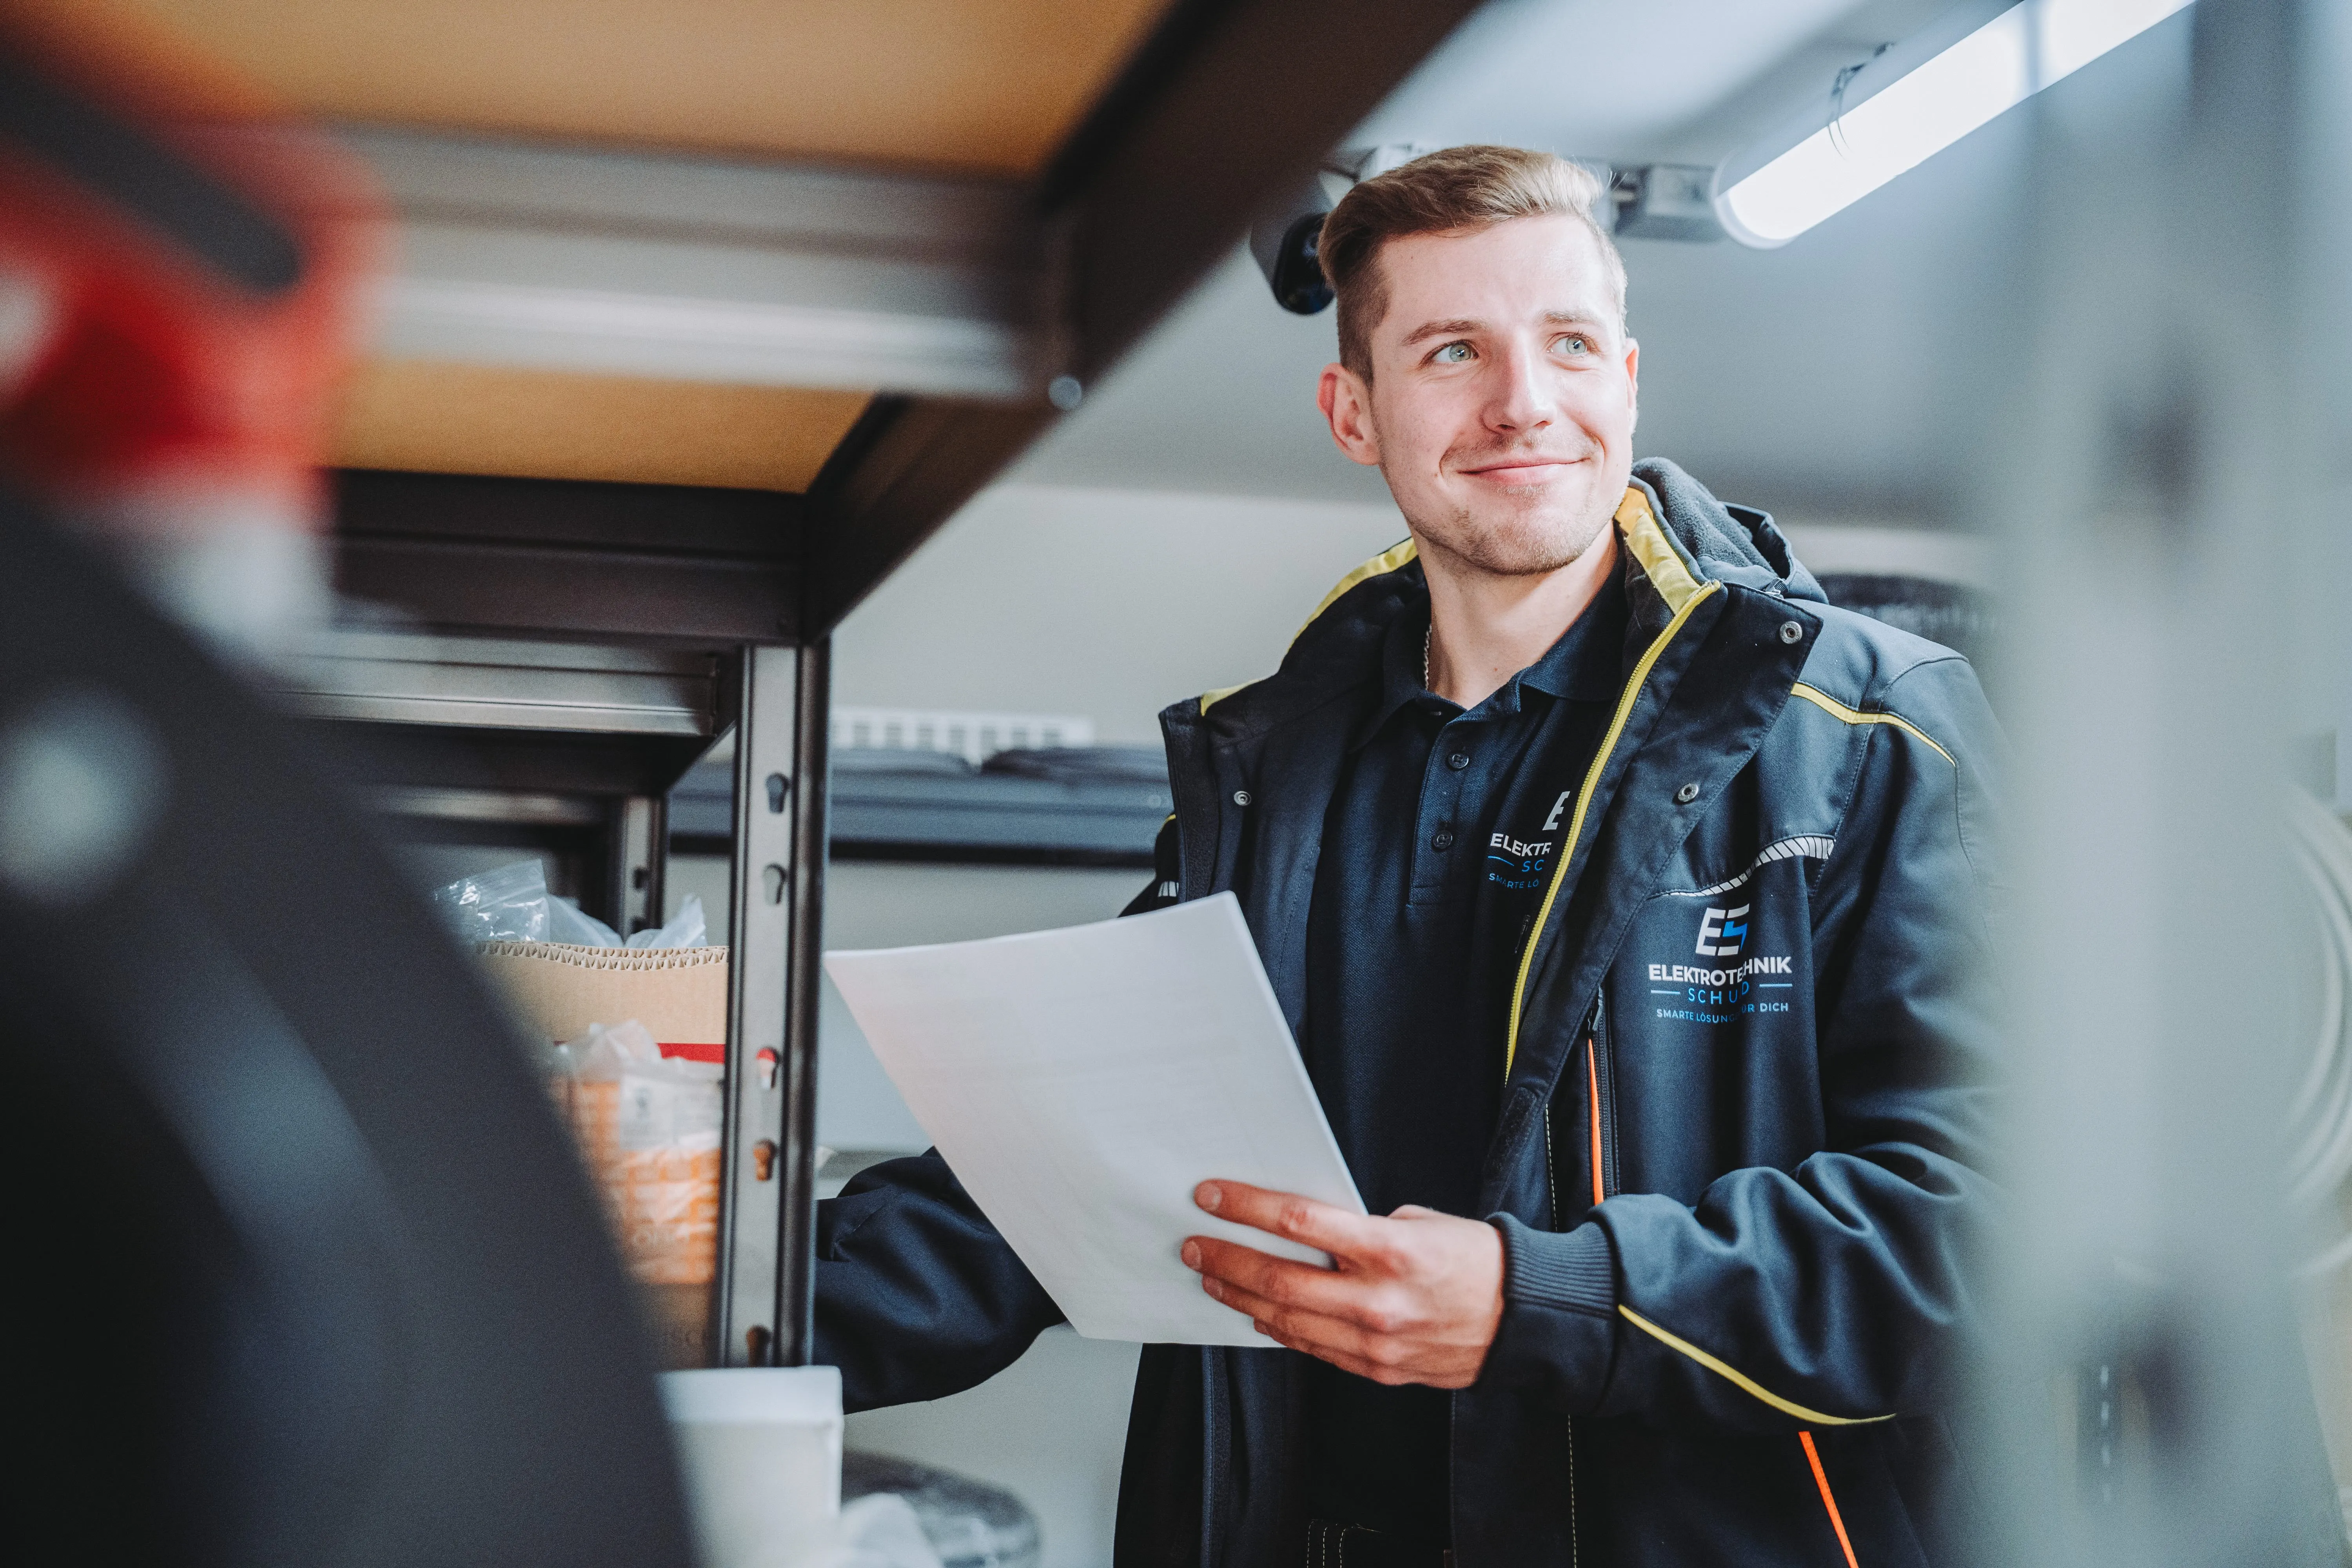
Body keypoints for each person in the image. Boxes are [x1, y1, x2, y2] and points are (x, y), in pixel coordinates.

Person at [815, 146, 2000, 1568]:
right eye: (1453, 351)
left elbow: (1982, 1228)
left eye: (1569, 344)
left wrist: (1539, 1300)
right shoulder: (1276, 779)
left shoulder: (1866, 732)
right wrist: (680, 1307)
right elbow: (1052, 1176)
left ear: (1627, 379)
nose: (1525, 401)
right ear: (1354, 412)